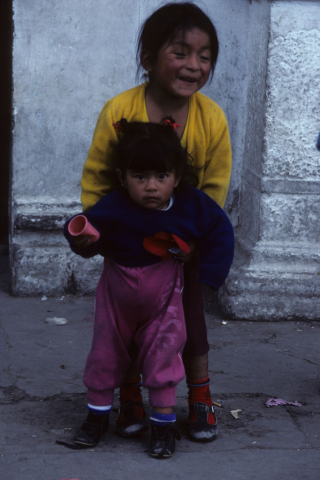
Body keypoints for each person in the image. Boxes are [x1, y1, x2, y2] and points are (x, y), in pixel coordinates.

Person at [80, 2, 232, 442]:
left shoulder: (212, 119)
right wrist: (97, 234)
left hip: (181, 245)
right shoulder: (118, 111)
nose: (194, 65)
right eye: (181, 52)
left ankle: (200, 398)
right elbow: (96, 178)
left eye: (205, 56)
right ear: (148, 59)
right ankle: (130, 396)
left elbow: (214, 190)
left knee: (190, 324)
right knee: (123, 325)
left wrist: (194, 243)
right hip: (127, 249)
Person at [63, 119, 234, 458]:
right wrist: (79, 235)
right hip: (116, 295)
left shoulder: (191, 205)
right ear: (122, 177)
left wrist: (208, 279)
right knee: (105, 354)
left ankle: (162, 426)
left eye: (162, 176)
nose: (151, 187)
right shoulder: (115, 205)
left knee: (163, 355)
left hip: (164, 297)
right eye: (140, 177)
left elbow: (221, 233)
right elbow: (85, 228)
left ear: (177, 176)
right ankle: (97, 418)